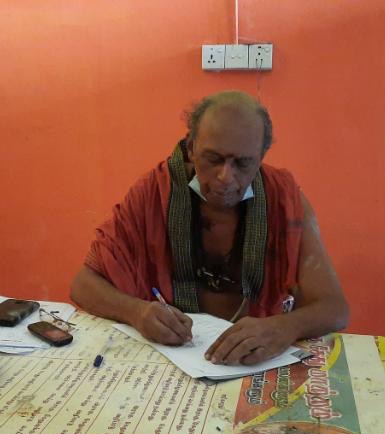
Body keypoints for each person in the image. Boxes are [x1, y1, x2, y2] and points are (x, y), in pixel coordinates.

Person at [70, 90, 348, 366]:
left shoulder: (284, 200)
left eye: (243, 163)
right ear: (191, 148)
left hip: (252, 360)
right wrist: (137, 312)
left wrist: (285, 327)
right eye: (213, 159)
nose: (226, 177)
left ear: (261, 156)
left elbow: (334, 308)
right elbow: (83, 285)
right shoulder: (154, 195)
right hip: (170, 362)